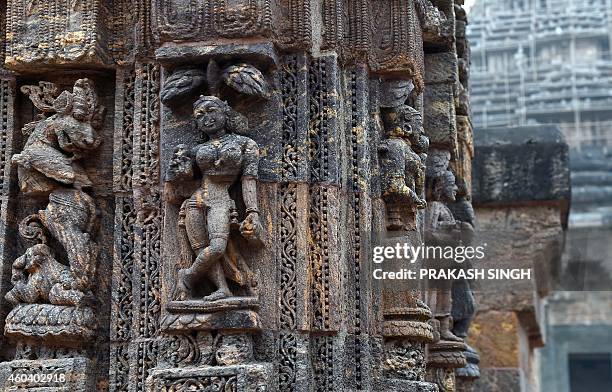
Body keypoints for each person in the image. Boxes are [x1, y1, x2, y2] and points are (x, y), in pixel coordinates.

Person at [167, 95, 262, 302]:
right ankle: (223, 289)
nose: (206, 118)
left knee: (217, 247)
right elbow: (177, 183)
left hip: (220, 199)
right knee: (201, 248)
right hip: (196, 200)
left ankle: (188, 277)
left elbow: (248, 180)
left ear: (225, 112)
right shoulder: (195, 150)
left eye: (211, 111)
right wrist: (177, 167)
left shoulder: (245, 144)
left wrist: (252, 211)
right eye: (200, 116)